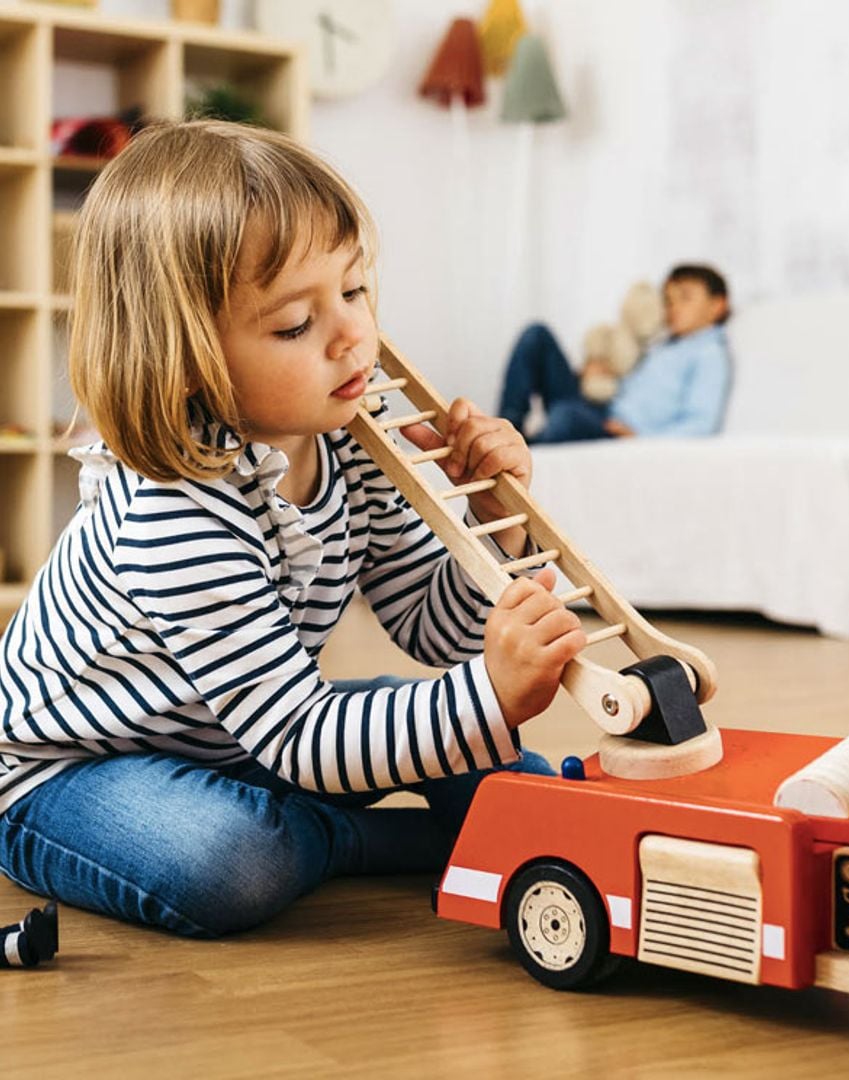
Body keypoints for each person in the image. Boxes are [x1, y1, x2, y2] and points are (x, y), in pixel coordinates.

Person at [0, 120, 587, 938]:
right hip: (75, 771)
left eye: (354, 290)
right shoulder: (175, 507)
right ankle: (352, 839)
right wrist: (486, 697)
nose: (353, 334)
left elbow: (434, 627)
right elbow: (301, 733)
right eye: (293, 325)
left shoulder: (350, 431)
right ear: (186, 356)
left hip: (246, 735)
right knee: (228, 862)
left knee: (486, 757)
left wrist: (492, 525)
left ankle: (405, 814)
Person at [497, 264, 733, 443]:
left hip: (615, 427)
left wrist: (640, 436)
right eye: (669, 300)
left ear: (717, 305)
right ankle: (506, 430)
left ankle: (520, 450)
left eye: (685, 297)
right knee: (537, 336)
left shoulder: (709, 354)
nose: (673, 307)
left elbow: (701, 424)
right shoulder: (661, 345)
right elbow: (629, 389)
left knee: (565, 416)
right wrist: (595, 376)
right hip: (597, 402)